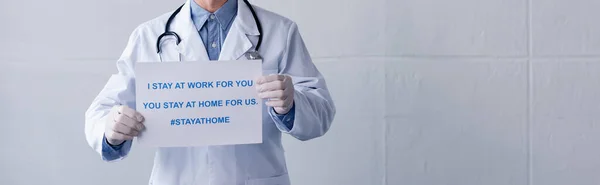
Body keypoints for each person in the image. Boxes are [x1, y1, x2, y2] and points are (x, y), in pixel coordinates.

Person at [84, 0, 335, 184]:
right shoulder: (149, 36)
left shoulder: (280, 31)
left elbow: (321, 112)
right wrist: (111, 129)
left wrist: (292, 105)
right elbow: (101, 112)